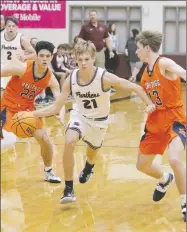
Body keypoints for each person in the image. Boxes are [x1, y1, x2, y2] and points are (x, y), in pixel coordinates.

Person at [23, 40, 155, 204]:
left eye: (87, 59)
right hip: (79, 116)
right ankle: (69, 188)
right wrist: (30, 114)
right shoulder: (71, 78)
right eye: (80, 60)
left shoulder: (104, 77)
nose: (83, 63)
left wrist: (149, 104)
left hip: (99, 122)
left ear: (93, 59)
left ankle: (89, 167)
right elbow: (56, 107)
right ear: (76, 60)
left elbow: (135, 87)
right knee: (70, 141)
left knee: (92, 152)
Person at [135, 30, 186, 222]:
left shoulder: (163, 63)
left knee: (174, 158)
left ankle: (184, 202)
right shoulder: (144, 73)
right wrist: (149, 105)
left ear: (147, 48)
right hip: (155, 122)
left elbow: (182, 72)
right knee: (142, 165)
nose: (136, 52)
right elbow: (152, 99)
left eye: (138, 48)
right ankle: (165, 178)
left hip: (174, 119)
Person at [1, 41, 62, 183]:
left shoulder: (50, 78)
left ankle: (48, 172)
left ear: (51, 57)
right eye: (41, 55)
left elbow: (58, 98)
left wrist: (60, 112)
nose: (44, 59)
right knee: (5, 143)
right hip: (7, 109)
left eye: (47, 56)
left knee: (45, 140)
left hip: (28, 112)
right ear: (36, 56)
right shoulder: (22, 68)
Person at [1, 15, 36, 90]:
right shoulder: (1, 37)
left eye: (13, 26)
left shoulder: (22, 39)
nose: (11, 28)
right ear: (5, 26)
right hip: (3, 69)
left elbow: (34, 54)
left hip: (16, 70)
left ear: (17, 27)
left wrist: (25, 57)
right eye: (9, 26)